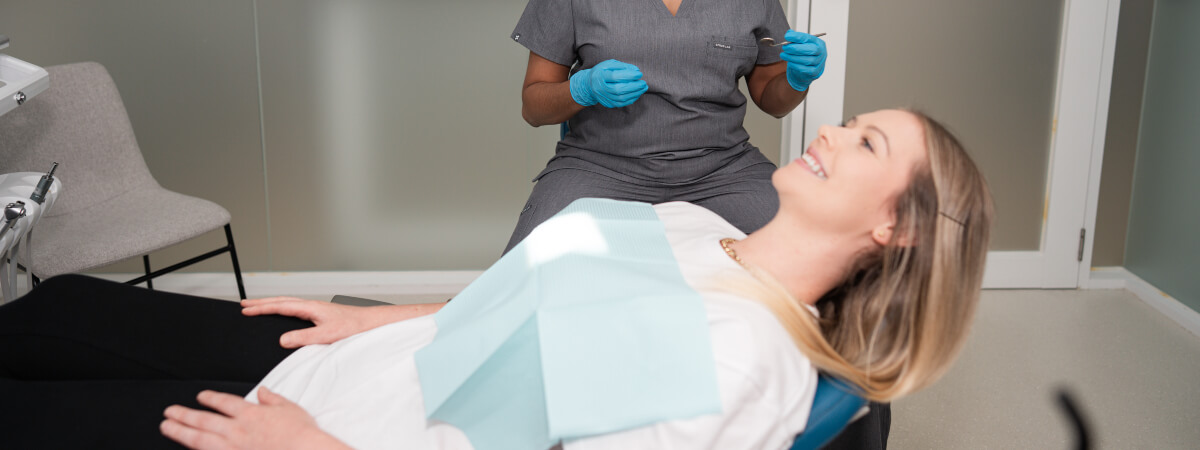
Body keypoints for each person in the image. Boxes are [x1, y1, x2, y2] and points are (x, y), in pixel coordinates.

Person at [0, 109, 992, 450]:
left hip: (331, 430)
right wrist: (379, 315)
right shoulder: (701, 229)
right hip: (372, 361)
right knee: (59, 309)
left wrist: (321, 449)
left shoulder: (742, 360)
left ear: (893, 227)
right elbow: (557, 305)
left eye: (864, 142)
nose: (828, 130)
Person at [505, 0, 827, 252]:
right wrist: (583, 89)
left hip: (724, 168)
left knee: (815, 254)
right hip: (599, 166)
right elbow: (533, 108)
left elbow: (772, 102)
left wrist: (797, 79)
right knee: (521, 277)